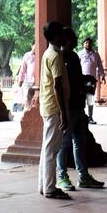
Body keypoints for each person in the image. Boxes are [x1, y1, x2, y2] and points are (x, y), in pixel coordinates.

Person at [57, 28, 105, 192]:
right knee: (64, 144)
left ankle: (83, 176)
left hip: (78, 105)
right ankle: (61, 176)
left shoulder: (73, 56)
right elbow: (60, 85)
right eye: (73, 38)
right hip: (69, 107)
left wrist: (87, 79)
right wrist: (62, 112)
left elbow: (76, 79)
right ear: (66, 40)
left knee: (79, 142)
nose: (76, 41)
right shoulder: (61, 57)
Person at [38, 23, 72, 200]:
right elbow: (57, 85)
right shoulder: (56, 56)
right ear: (58, 36)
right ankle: (50, 188)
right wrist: (64, 113)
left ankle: (44, 185)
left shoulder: (48, 52)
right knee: (52, 149)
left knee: (47, 148)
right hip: (54, 107)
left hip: (47, 105)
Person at [78, 37, 103, 124]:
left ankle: (90, 118)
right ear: (83, 44)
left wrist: (102, 75)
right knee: (82, 99)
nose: (88, 44)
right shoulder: (80, 54)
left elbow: (99, 65)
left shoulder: (95, 54)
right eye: (86, 43)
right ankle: (82, 117)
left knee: (90, 99)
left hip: (92, 80)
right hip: (82, 80)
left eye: (89, 43)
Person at [14, 46, 37, 112]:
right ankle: (27, 112)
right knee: (27, 99)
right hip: (28, 81)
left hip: (37, 81)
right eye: (34, 46)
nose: (35, 48)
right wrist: (20, 80)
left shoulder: (40, 54)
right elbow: (23, 68)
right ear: (31, 45)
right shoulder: (27, 55)